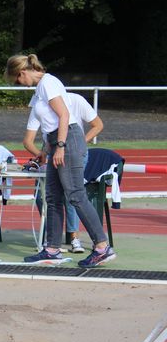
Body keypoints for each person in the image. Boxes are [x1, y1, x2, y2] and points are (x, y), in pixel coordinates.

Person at [6, 54, 115, 267]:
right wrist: (46, 150)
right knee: (53, 197)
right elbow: (50, 124)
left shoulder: (48, 83)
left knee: (75, 195)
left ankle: (102, 247)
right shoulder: (40, 89)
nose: (20, 84)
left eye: (17, 80)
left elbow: (64, 115)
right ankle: (52, 249)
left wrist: (61, 146)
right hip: (55, 141)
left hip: (68, 140)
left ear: (22, 72)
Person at [24, 92, 104, 253]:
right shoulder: (40, 105)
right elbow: (28, 140)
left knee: (72, 195)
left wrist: (78, 143)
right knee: (48, 195)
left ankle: (79, 239)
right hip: (53, 149)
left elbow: (97, 124)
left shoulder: (75, 100)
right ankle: (52, 244)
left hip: (71, 148)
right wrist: (43, 154)